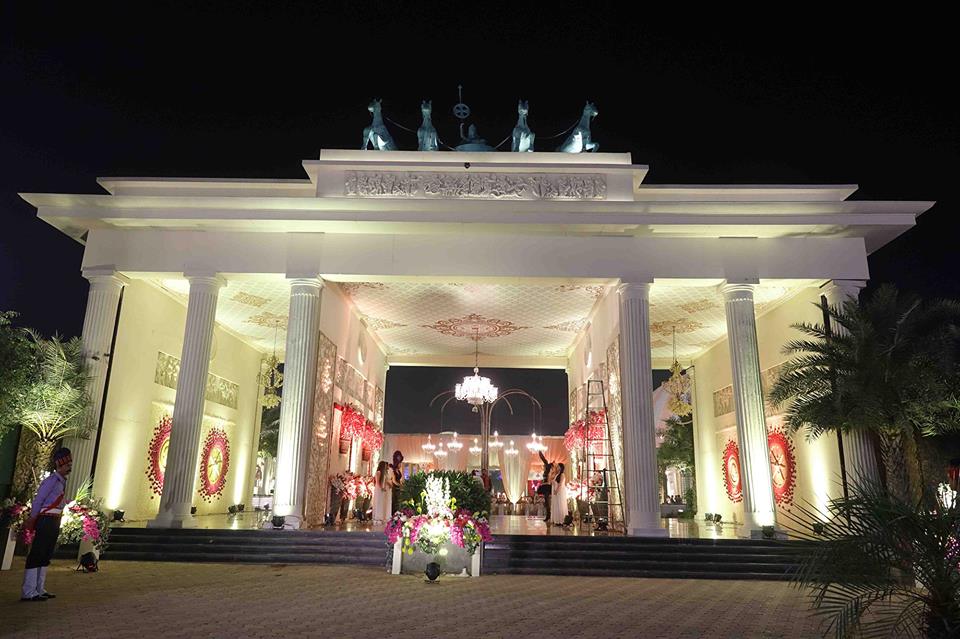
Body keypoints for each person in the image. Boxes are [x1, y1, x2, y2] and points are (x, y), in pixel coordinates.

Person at [21, 447, 72, 602]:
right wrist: (32, 519)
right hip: (45, 520)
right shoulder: (51, 481)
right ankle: (28, 591)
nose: (70, 467)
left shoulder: (61, 482)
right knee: (38, 552)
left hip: (54, 521)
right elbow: (39, 501)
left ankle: (39, 589)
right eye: (68, 464)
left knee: (46, 553)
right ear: (60, 464)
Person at [537, 450, 554, 522]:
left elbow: (548, 482)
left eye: (545, 465)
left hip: (546, 487)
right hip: (545, 487)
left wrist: (540, 454)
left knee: (547, 502)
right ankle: (548, 515)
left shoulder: (547, 471)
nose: (543, 466)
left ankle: (548, 516)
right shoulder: (546, 472)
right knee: (546, 502)